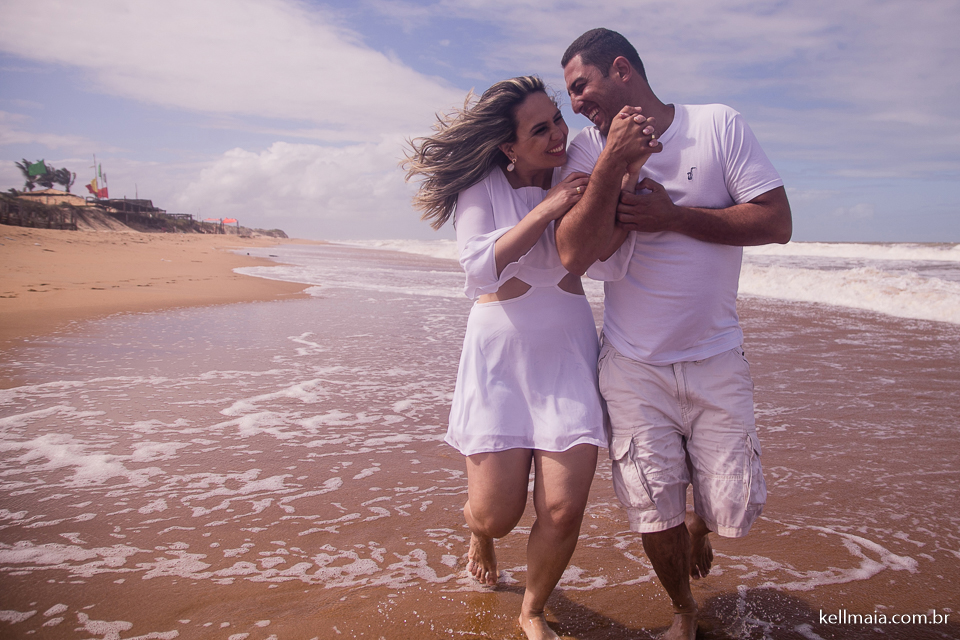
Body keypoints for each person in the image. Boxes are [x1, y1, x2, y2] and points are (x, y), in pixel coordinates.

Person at [554, 29, 793, 640]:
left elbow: (776, 221)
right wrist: (613, 162)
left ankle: (701, 527)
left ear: (621, 70)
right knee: (651, 510)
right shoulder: (586, 151)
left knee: (730, 509)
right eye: (570, 94)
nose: (575, 103)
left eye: (581, 86)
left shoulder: (718, 125)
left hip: (716, 355)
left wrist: (675, 217)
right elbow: (573, 255)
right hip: (633, 365)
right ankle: (683, 610)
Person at [403, 76, 656, 640]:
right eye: (539, 128)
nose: (557, 134)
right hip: (499, 363)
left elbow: (602, 265)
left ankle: (532, 610)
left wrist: (623, 188)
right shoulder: (484, 185)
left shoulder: (581, 175)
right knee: (497, 513)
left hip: (567, 355)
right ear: (508, 146)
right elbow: (476, 268)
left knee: (564, 509)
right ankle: (480, 533)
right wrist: (546, 209)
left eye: (558, 120)